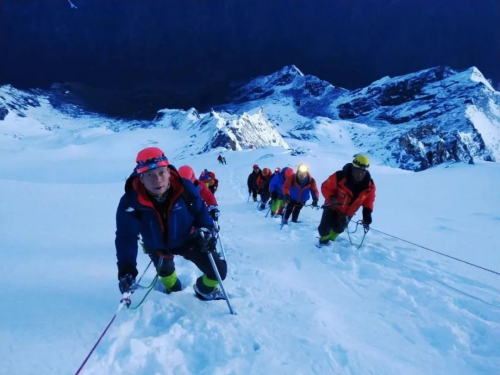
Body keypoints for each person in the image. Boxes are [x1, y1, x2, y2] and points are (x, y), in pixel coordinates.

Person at [115, 147, 227, 301]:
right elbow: (126, 237)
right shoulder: (131, 202)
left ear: (168, 171)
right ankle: (173, 290)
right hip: (157, 246)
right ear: (141, 178)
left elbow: (201, 214)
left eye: (161, 172)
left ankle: (204, 290)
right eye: (150, 175)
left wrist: (208, 232)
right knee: (166, 274)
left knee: (218, 272)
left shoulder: (185, 189)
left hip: (188, 239)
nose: (158, 180)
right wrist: (126, 270)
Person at [317, 155, 375, 246]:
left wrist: (367, 213)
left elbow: (369, 199)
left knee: (339, 229)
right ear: (353, 168)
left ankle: (331, 241)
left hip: (348, 213)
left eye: (363, 172)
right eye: (357, 171)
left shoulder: (369, 186)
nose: (360, 174)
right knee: (324, 228)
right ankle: (323, 241)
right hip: (332, 207)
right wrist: (331, 197)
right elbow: (326, 187)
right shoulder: (339, 176)